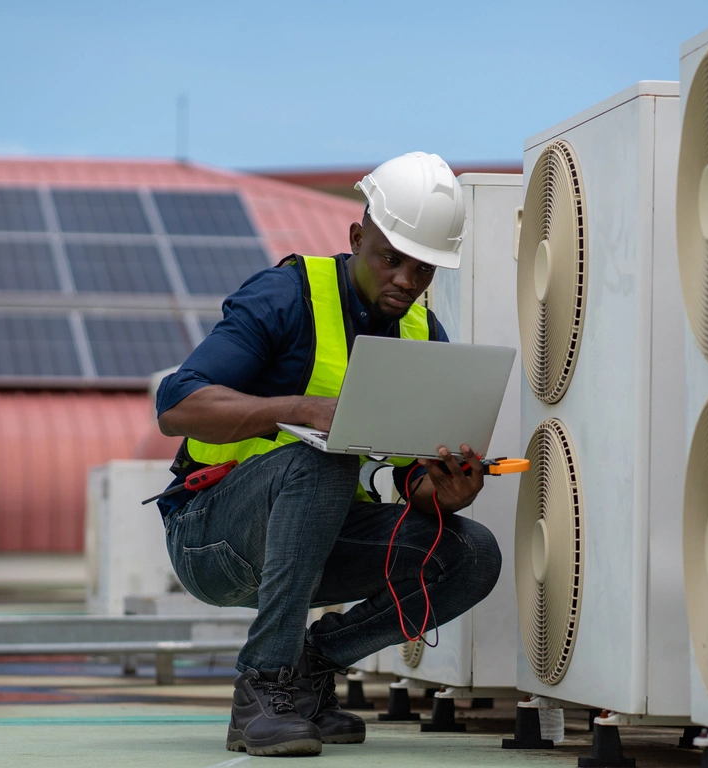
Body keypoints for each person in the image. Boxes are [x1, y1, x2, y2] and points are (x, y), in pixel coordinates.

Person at [153, 152, 503, 757]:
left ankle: (310, 667)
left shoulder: (423, 334)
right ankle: (263, 685)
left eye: (423, 270)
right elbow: (176, 404)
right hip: (210, 536)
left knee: (472, 553)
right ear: (357, 237)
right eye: (390, 259)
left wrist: (442, 491)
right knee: (324, 457)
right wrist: (302, 408)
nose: (405, 281)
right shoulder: (285, 297)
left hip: (318, 541)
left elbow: (410, 476)